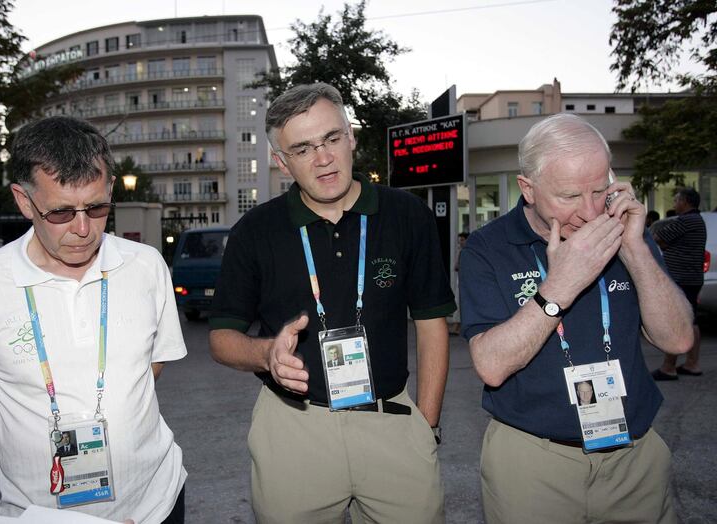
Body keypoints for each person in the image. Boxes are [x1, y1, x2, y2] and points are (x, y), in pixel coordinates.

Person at [209, 83, 455, 523]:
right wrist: (265, 353)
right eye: (303, 149)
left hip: (392, 420)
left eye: (332, 139)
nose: (323, 158)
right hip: (294, 429)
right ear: (282, 162)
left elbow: (432, 324)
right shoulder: (255, 231)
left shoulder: (407, 216)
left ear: (352, 136)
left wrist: (427, 425)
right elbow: (222, 339)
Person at [0, 116, 187, 523]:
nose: (83, 228)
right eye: (61, 213)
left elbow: (150, 366)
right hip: (42, 515)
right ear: (23, 201)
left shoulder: (146, 266)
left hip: (158, 502)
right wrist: (37, 466)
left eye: (97, 207)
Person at [459, 113, 693, 524]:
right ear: (527, 189)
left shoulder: (625, 233)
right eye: (568, 196)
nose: (589, 212)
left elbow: (677, 341)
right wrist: (561, 284)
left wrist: (635, 251)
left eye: (600, 190)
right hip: (534, 462)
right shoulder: (487, 247)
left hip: (633, 458)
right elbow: (491, 366)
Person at [652, 187, 707, 379]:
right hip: (692, 277)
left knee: (676, 319)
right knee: (692, 320)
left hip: (681, 278)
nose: (674, 204)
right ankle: (692, 363)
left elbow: (658, 239)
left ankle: (669, 367)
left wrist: (666, 243)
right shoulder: (698, 220)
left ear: (685, 201)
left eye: (676, 200)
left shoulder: (685, 221)